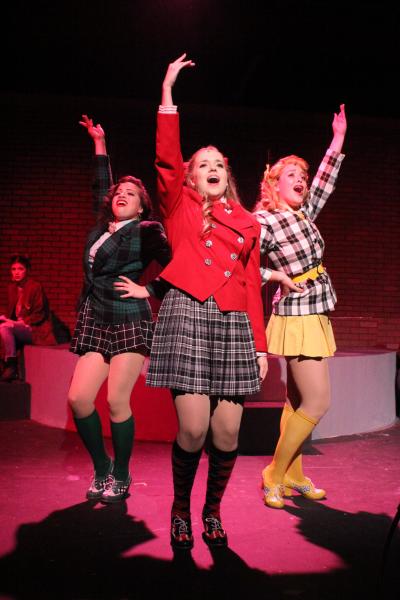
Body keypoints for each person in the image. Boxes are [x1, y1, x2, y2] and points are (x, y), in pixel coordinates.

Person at [118, 54, 268, 550]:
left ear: (228, 174)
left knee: (226, 435)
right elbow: (166, 156)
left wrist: (262, 347)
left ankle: (212, 511)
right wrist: (167, 91)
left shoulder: (248, 223)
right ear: (189, 177)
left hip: (231, 325)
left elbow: (250, 288)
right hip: (185, 317)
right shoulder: (179, 205)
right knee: (193, 431)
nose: (211, 168)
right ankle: (180, 507)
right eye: (201, 164)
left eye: (218, 164)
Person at [68, 115, 171, 504]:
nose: (122, 194)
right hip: (95, 317)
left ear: (143, 205)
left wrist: (151, 290)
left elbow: (176, 263)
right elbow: (100, 183)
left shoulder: (147, 231)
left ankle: (123, 474)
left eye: (131, 192)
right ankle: (102, 468)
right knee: (79, 399)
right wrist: (99, 142)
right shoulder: (100, 229)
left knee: (115, 400)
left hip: (129, 318)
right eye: (119, 191)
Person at [253, 104, 347, 509]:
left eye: (303, 176)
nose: (303, 181)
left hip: (315, 309)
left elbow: (325, 181)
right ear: (273, 183)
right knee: (318, 401)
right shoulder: (264, 220)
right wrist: (273, 276)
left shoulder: (304, 213)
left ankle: (294, 475)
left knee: (296, 402)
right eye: (292, 175)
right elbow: (241, 267)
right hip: (296, 313)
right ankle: (274, 472)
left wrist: (338, 139)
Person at [0, 255, 56, 382]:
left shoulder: (35, 286)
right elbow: (12, 313)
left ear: (27, 270)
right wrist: (8, 320)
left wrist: (20, 323)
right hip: (18, 327)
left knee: (4, 328)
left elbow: (39, 314)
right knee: (3, 326)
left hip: (34, 329)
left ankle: (11, 365)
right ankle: (9, 363)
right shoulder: (12, 288)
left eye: (20, 269)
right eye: (13, 269)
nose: (17, 272)